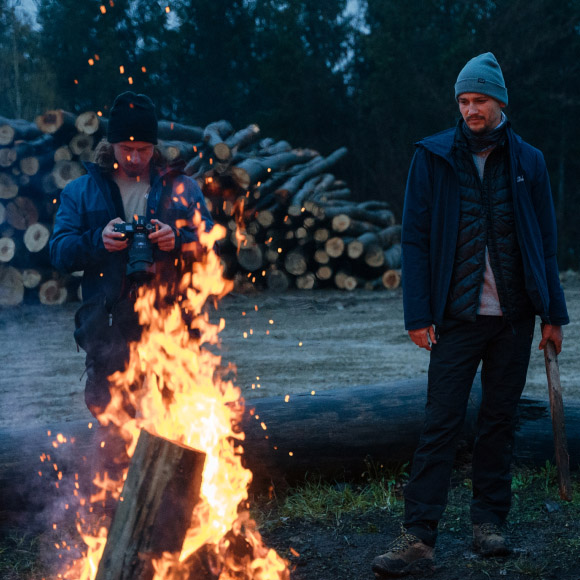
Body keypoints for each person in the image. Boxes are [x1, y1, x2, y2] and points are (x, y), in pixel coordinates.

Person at [372, 53, 569, 578]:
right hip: (455, 319)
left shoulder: (528, 161)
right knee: (440, 424)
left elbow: (545, 244)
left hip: (513, 319)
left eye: (479, 99)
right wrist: (417, 314)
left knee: (499, 423)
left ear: (499, 101)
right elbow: (414, 240)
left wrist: (554, 314)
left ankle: (488, 528)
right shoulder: (432, 156)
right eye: (463, 101)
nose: (470, 109)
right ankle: (418, 539)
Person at [50, 91, 214, 419]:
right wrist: (99, 241)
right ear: (110, 145)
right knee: (112, 423)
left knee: (178, 420)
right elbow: (59, 253)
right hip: (107, 328)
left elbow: (213, 244)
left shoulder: (183, 188)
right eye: (127, 149)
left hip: (172, 322)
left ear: (155, 147)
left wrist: (177, 240)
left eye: (143, 149)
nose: (135, 158)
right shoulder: (80, 191)